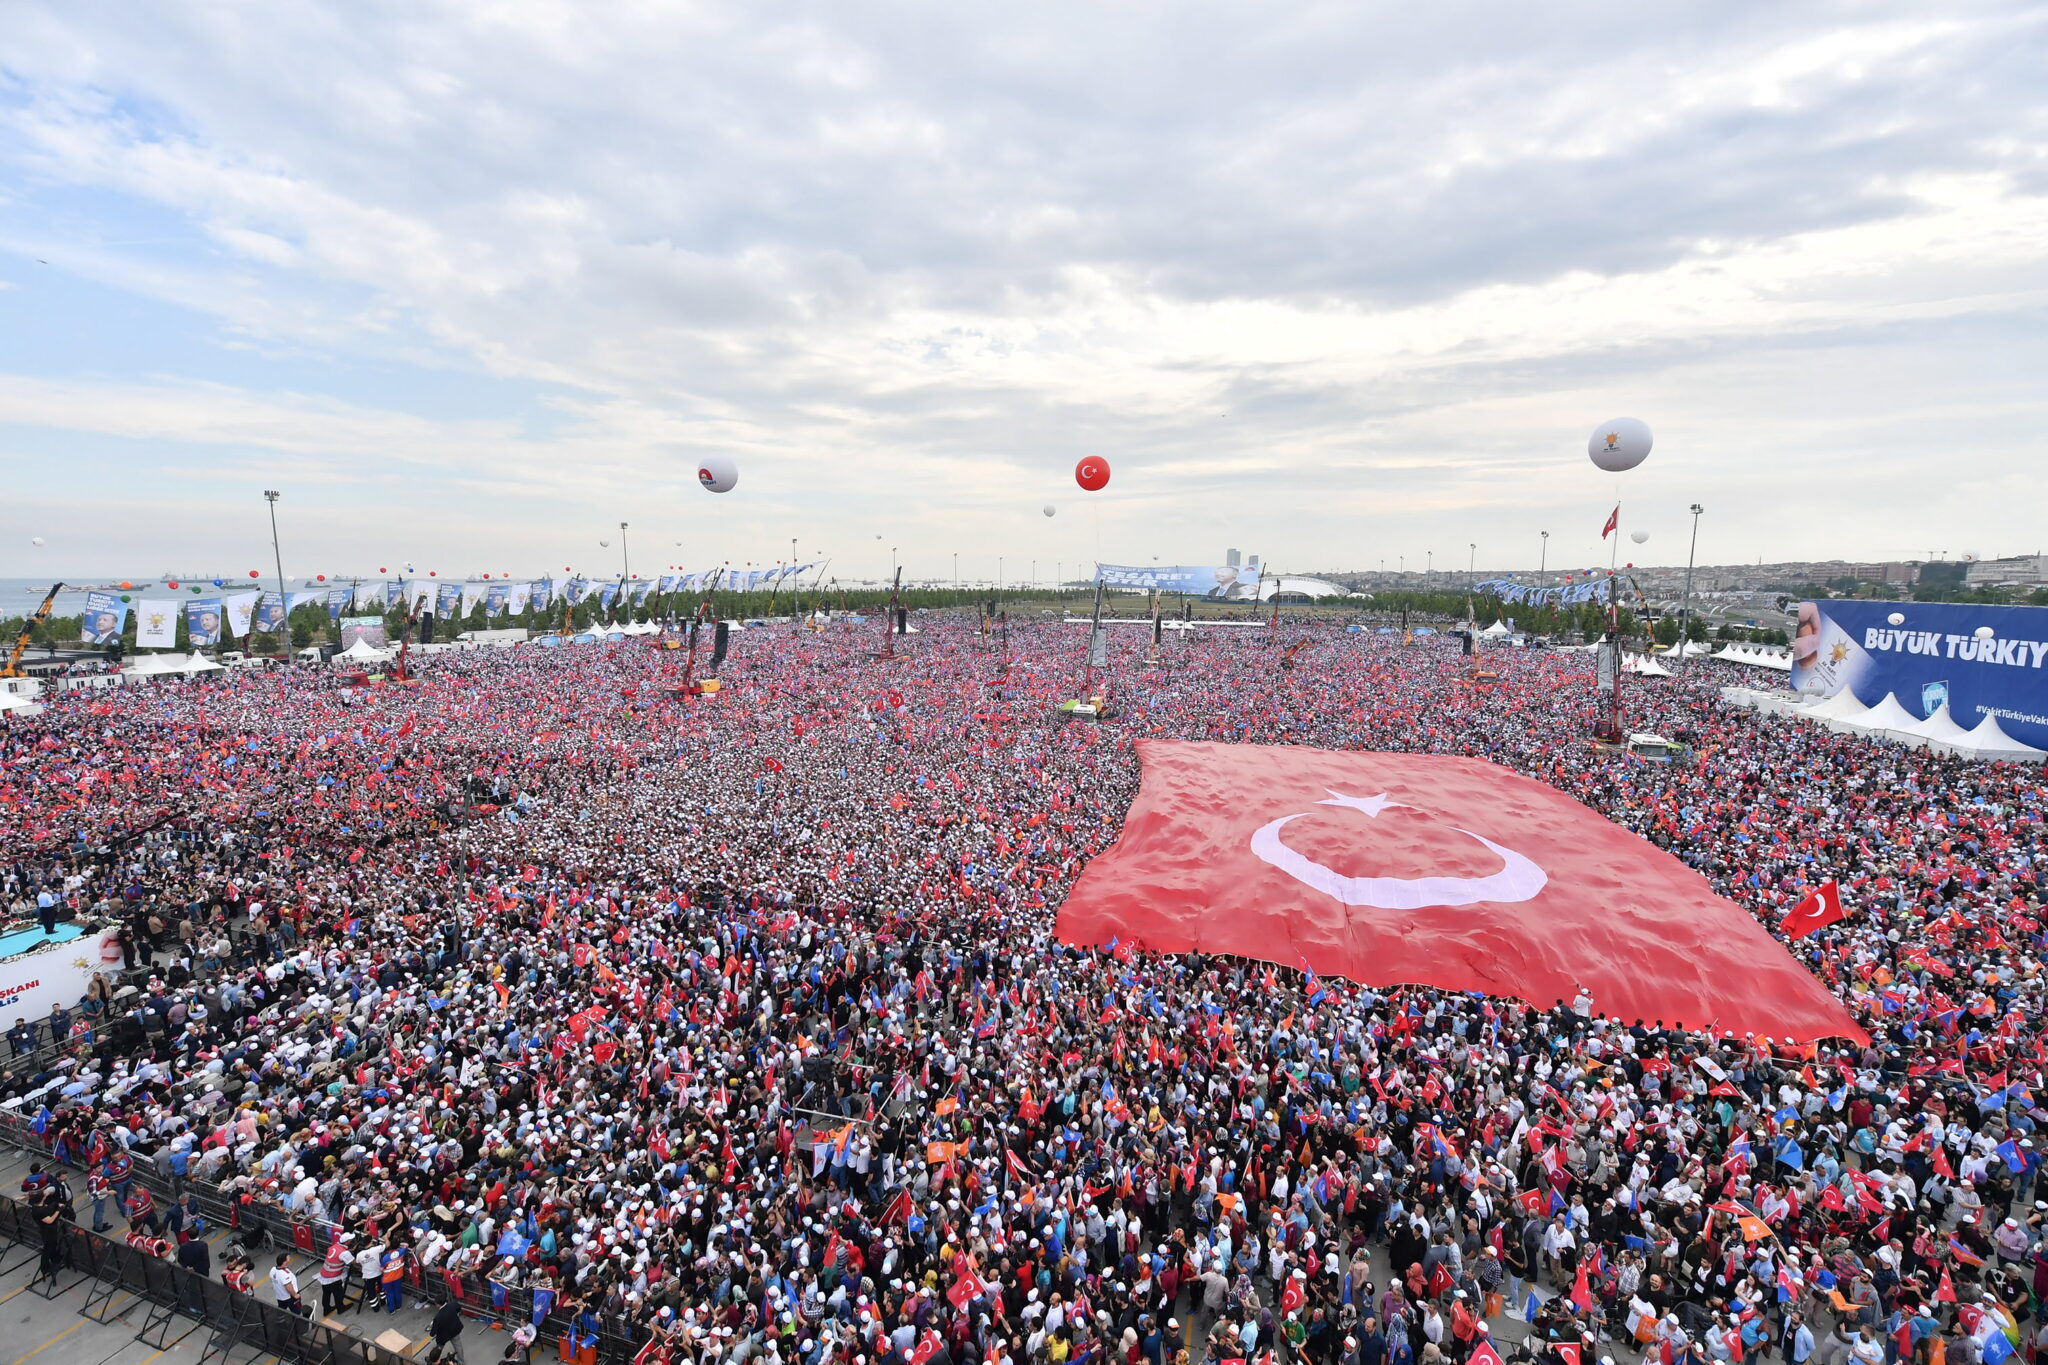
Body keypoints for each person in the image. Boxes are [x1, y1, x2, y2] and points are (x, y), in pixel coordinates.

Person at [426, 1296, 467, 1364]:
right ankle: (461, 1362)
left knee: (438, 1350)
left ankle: (434, 1360)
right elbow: (458, 1308)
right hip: (454, 1331)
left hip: (443, 1336)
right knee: (458, 1347)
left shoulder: (438, 1317)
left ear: (438, 1304)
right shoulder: (453, 1304)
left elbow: (432, 1333)